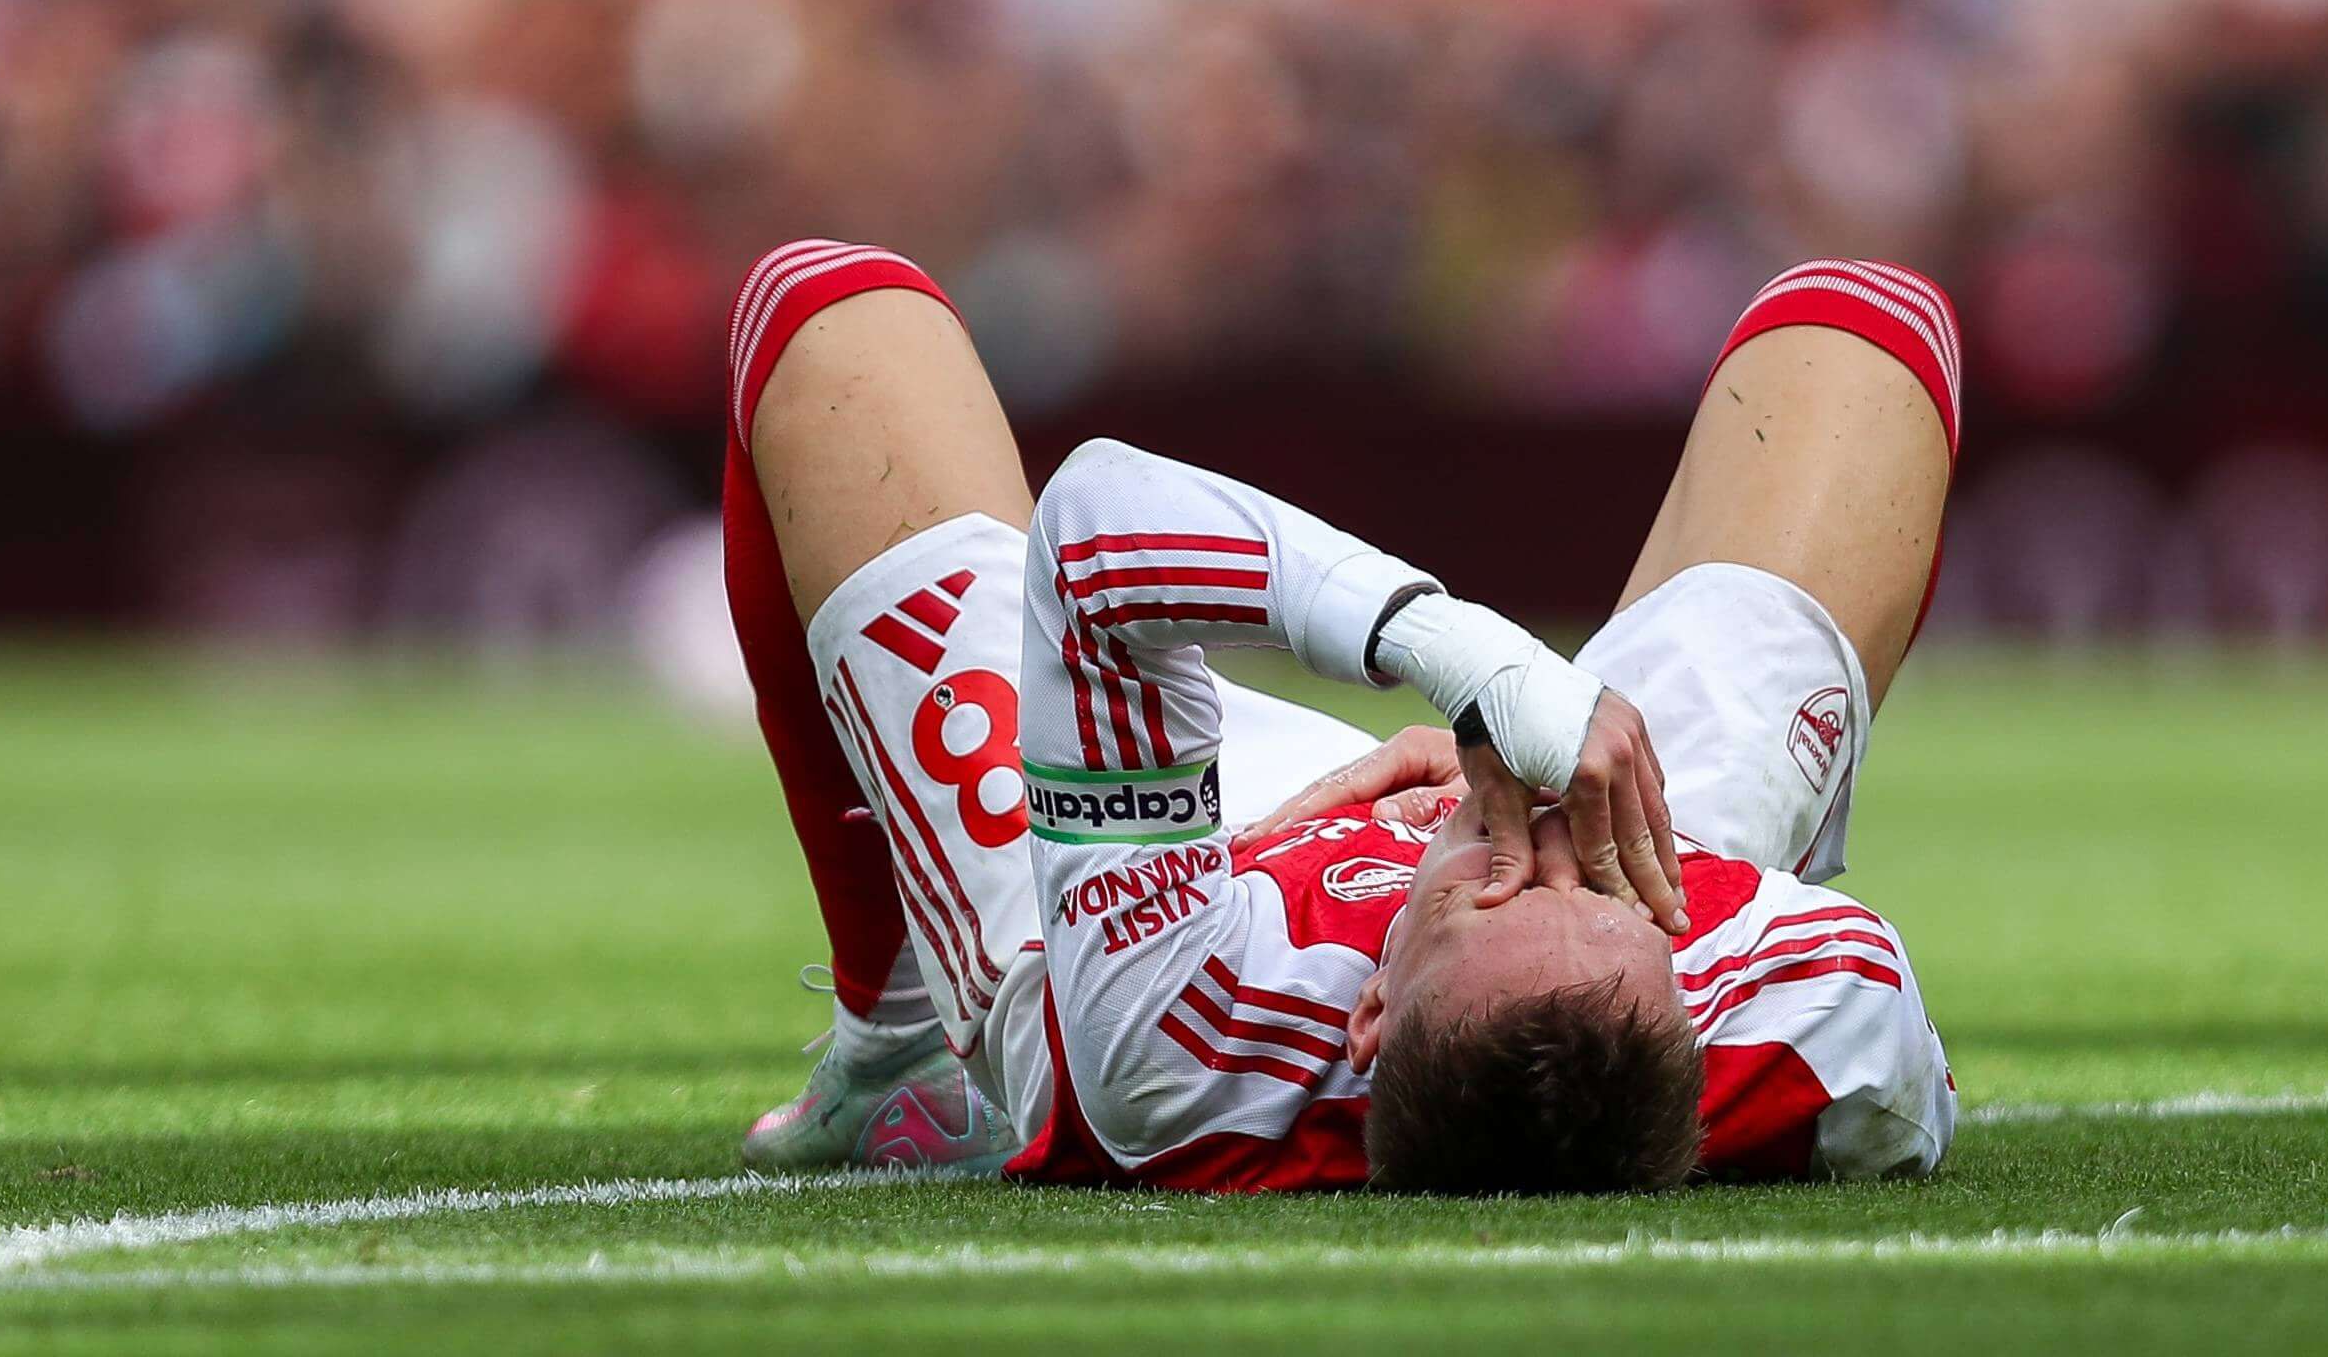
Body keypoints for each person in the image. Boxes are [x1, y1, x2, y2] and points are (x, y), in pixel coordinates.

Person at [716, 238, 1963, 1190]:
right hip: (1662, 839)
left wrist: (1475, 663)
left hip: (1150, 880)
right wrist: (1584, 844)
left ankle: (899, 1046)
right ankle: (1590, 871)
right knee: (1855, 330)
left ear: (1368, 1016)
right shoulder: (1802, 1007)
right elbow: (1889, 1050)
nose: (1538, 844)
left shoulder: (1177, 1036)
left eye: (1491, 887)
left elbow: (1094, 528)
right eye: (1589, 887)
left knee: (828, 311)